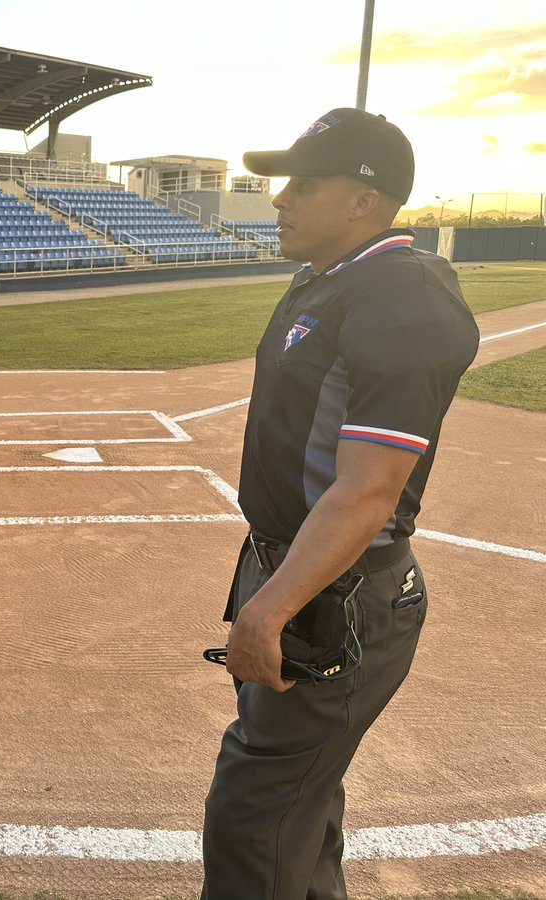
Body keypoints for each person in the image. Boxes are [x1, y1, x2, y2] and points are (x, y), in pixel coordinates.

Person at [200, 109, 479, 899]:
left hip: (335, 591)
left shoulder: (403, 297)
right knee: (298, 800)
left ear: (365, 199)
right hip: (291, 570)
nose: (280, 199)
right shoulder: (327, 280)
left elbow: (370, 487)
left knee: (255, 813)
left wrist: (270, 609)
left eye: (304, 183)